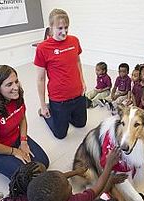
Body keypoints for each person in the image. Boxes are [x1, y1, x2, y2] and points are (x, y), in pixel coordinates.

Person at [0, 65, 49, 179]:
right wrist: (15, 152)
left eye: (16, 81)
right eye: (9, 84)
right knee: (27, 178)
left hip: (15, 138)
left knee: (44, 163)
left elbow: (22, 118)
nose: (16, 87)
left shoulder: (16, 96)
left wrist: (23, 141)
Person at [34, 8, 87, 139]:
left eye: (66, 27)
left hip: (77, 95)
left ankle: (65, 115)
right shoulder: (42, 48)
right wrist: (42, 104)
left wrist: (83, 82)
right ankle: (47, 110)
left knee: (81, 124)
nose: (64, 32)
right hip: (59, 99)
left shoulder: (74, 40)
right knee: (60, 135)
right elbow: (40, 79)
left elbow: (78, 62)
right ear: (51, 27)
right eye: (59, 28)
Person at [27, 148, 123, 201]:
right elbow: (96, 190)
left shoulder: (42, 198)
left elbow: (60, 178)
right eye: (68, 185)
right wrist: (109, 165)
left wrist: (76, 172)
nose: (69, 183)